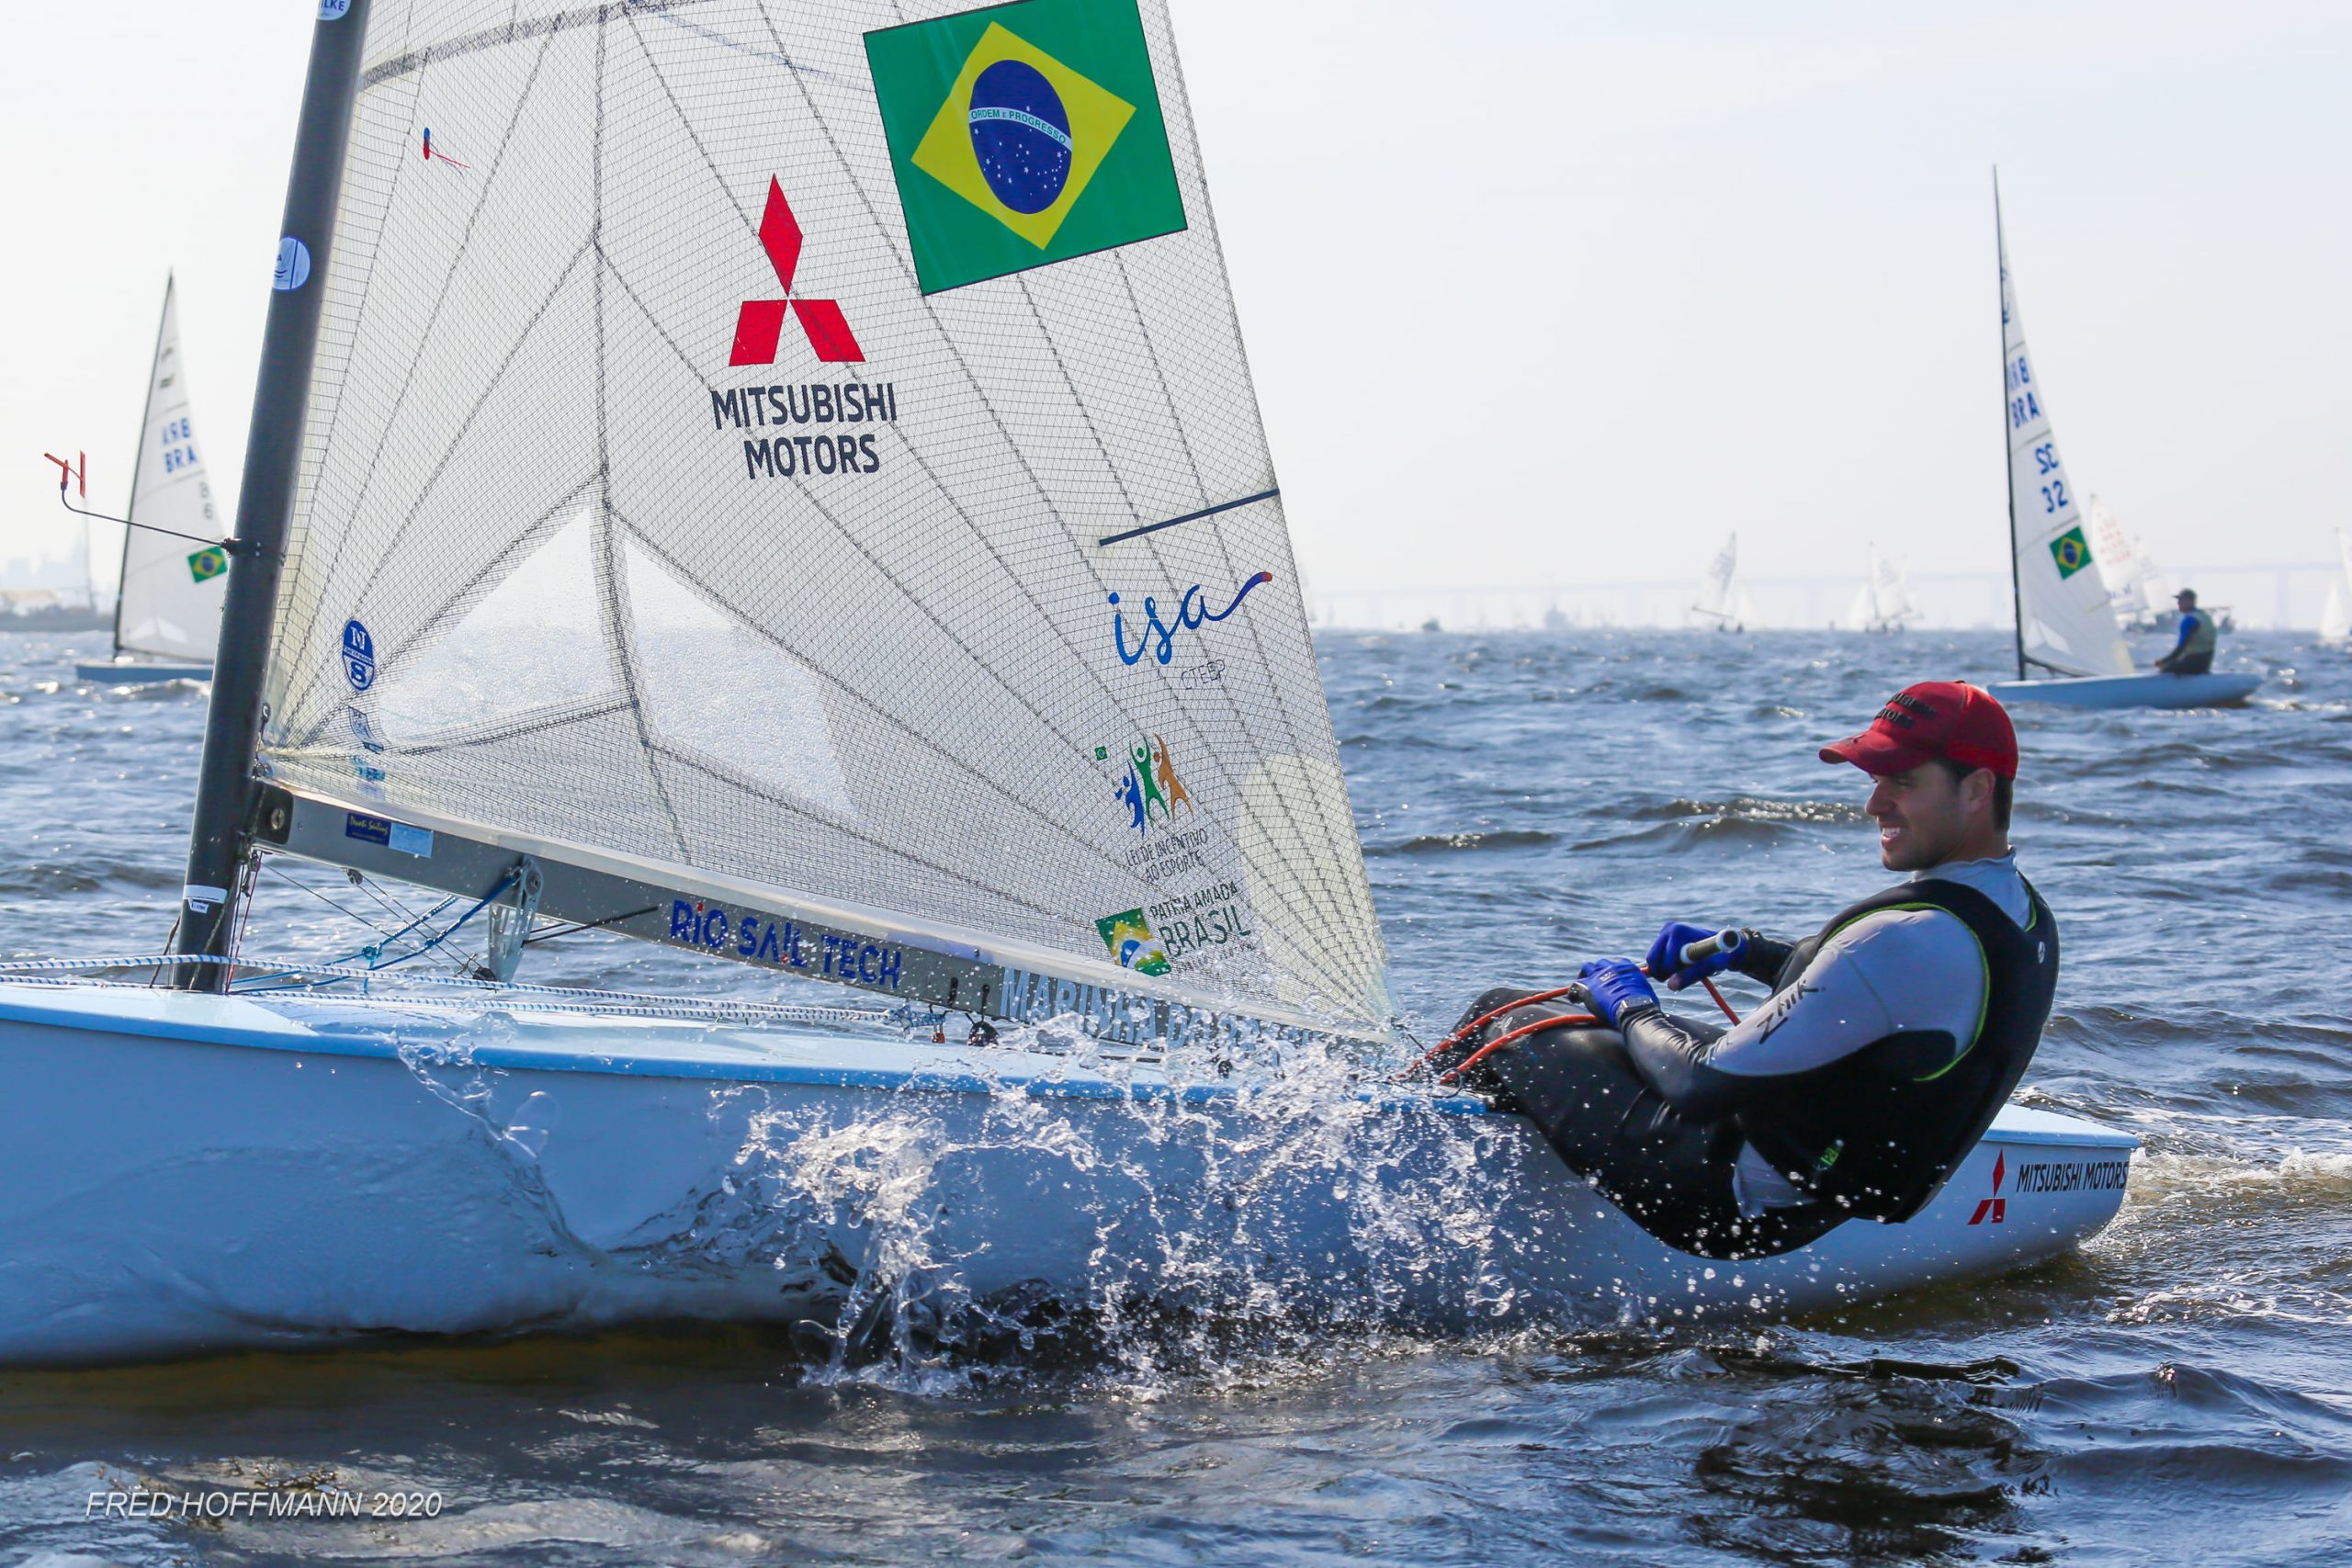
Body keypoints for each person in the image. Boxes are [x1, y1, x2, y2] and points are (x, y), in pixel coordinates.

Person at [1438, 682, 2060, 1261]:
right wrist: (1748, 952)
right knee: (1597, 1034)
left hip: (1719, 1197)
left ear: (1977, 789)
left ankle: (1416, 1173)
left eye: (1900, 780)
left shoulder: (1908, 937)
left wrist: (1630, 1004)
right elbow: (1878, 1001)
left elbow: (1699, 1084)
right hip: (1816, 1201)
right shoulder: (2020, 916)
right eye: (1874, 778)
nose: (1874, 802)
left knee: (1509, 1015)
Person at [2154, 588, 2218, 675]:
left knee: (2164, 669)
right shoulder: (2206, 617)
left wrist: (2163, 661)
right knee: (2175, 663)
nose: (2178, 603)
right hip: (2206, 664)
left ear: (2190, 601)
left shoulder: (2189, 621)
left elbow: (2181, 648)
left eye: (2180, 600)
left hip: (2194, 664)